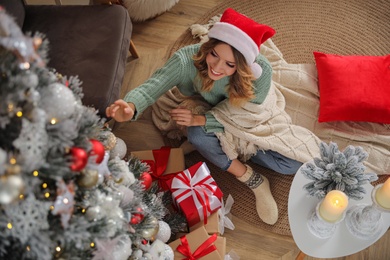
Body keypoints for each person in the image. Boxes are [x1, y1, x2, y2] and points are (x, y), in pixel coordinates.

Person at [106, 8, 303, 225]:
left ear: (244, 67)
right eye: (214, 55)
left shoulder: (261, 72)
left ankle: (219, 149)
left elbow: (247, 116)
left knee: (291, 163)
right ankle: (254, 179)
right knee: (198, 135)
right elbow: (152, 87)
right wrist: (131, 106)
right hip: (207, 108)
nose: (217, 67)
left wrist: (205, 121)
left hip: (243, 117)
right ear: (208, 47)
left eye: (230, 64)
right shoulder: (186, 60)